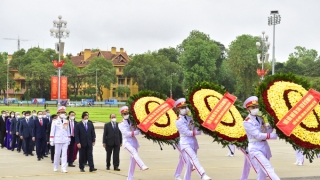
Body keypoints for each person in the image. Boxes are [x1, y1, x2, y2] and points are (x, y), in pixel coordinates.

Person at [243, 96, 280, 180]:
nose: (255, 109)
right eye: (253, 107)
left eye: (256, 107)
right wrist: (274, 136)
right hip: (255, 148)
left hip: (264, 146)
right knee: (268, 168)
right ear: (247, 109)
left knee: (261, 173)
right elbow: (258, 135)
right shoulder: (247, 122)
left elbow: (267, 131)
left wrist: (271, 125)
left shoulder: (261, 118)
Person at [174, 98, 211, 180]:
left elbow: (195, 126)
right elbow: (187, 132)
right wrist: (198, 132)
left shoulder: (190, 117)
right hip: (185, 143)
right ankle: (202, 174)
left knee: (190, 165)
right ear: (178, 109)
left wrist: (201, 126)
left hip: (193, 142)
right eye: (182, 108)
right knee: (194, 158)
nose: (184, 109)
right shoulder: (178, 121)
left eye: (185, 107)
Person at [118, 106, 148, 180]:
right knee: (134, 152)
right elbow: (126, 134)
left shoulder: (132, 121)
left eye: (127, 113)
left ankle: (130, 178)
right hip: (127, 142)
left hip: (134, 141)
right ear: (122, 114)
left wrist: (141, 130)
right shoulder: (120, 124)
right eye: (124, 113)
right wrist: (137, 132)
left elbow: (138, 129)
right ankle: (142, 165)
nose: (126, 114)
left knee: (133, 162)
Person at [49, 106, 70, 173]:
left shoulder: (66, 121)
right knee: (57, 154)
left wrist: (69, 138)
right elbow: (52, 131)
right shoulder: (55, 121)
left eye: (64, 112)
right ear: (58, 113)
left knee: (64, 154)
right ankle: (55, 166)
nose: (63, 113)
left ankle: (64, 168)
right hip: (57, 139)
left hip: (65, 139)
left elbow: (68, 130)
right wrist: (51, 140)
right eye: (62, 112)